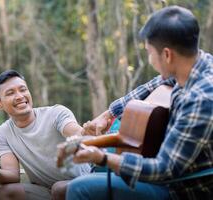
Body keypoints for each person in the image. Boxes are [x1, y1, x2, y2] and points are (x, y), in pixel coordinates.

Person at [65, 5, 213, 200]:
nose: (149, 59)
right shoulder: (198, 64)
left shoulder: (200, 100)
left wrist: (102, 157)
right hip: (170, 174)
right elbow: (156, 83)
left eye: (149, 53)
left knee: (79, 188)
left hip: (184, 189)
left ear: (167, 55)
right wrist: (109, 113)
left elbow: (164, 169)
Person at [0, 69, 91, 200]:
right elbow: (12, 175)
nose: (20, 96)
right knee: (2, 193)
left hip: (81, 183)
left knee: (59, 188)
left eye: (23, 89)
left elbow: (76, 132)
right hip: (45, 191)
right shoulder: (3, 133)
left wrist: (86, 132)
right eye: (10, 93)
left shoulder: (56, 113)